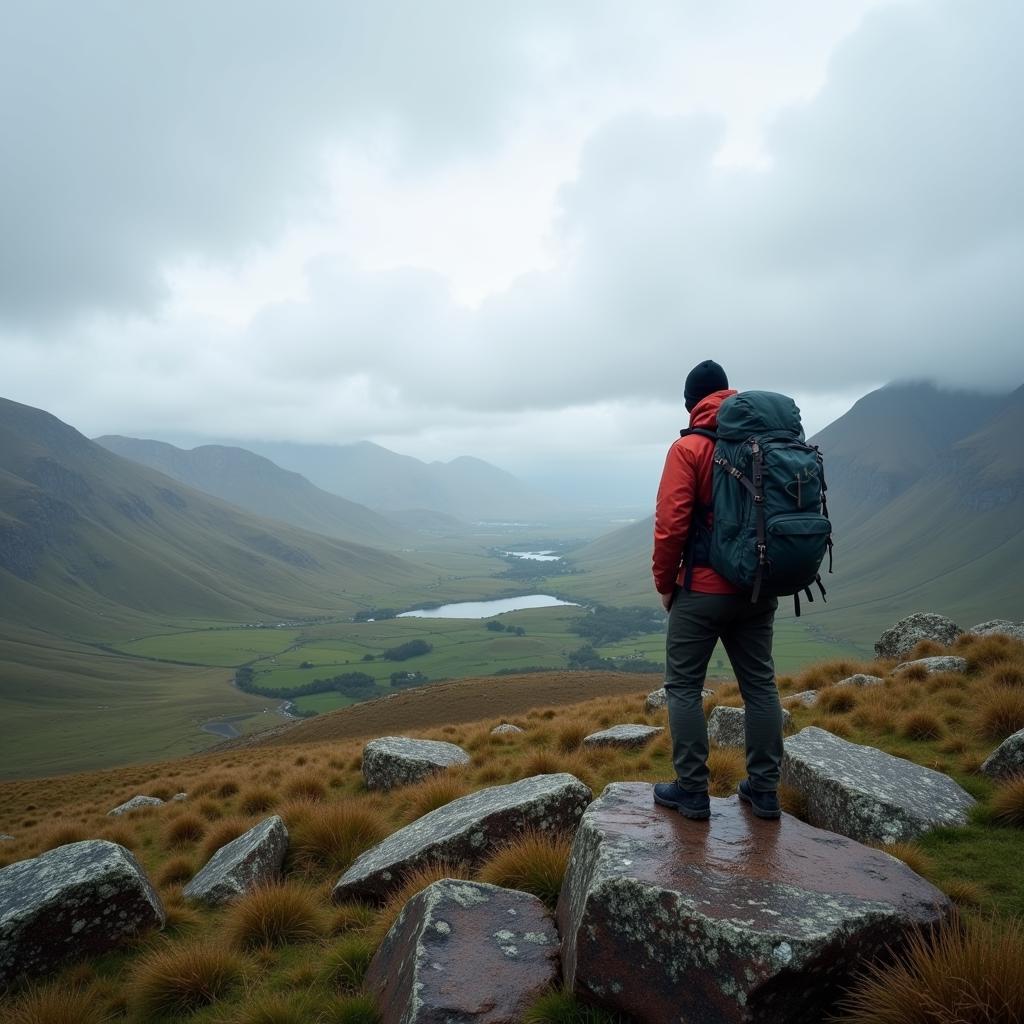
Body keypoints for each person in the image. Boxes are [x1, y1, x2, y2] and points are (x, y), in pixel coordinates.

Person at [651, 359, 784, 821]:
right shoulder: (763, 442)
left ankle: (692, 791)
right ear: (727, 394)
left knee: (684, 687)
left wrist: (666, 584)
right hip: (756, 586)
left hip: (703, 590)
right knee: (760, 687)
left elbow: (671, 525)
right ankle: (764, 791)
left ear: (691, 404)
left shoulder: (688, 448)